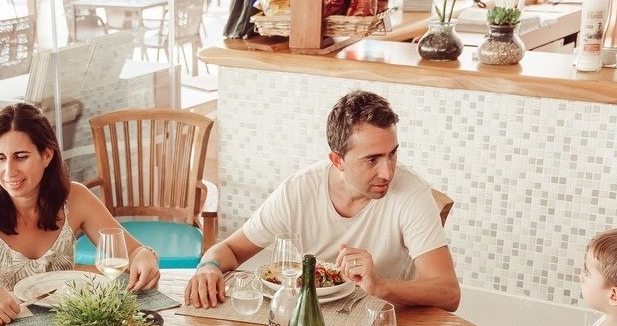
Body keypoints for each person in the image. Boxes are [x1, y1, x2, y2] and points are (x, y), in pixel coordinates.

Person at [184, 90, 460, 312]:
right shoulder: (298, 191)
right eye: (372, 159)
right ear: (337, 161)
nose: (387, 171)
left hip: (380, 322)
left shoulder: (411, 194)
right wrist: (208, 267)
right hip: (307, 318)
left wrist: (380, 286)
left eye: (392, 154)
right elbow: (229, 251)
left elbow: (449, 292)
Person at [0, 100, 162, 326]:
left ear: (46, 155)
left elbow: (134, 251)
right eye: (0, 158)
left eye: (21, 156)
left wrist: (145, 256)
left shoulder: (75, 198)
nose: (9, 171)